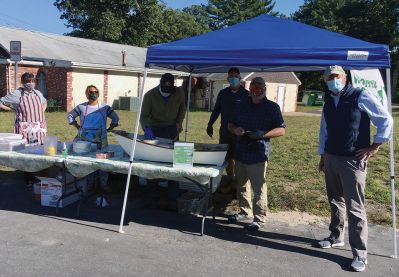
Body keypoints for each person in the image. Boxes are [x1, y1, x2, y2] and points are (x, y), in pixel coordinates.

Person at [317, 66, 393, 272]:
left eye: (336, 76)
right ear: (325, 81)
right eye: (329, 77)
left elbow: (385, 119)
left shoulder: (359, 95)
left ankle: (360, 253)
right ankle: (336, 236)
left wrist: (374, 146)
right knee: (335, 200)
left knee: (355, 207)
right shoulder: (328, 100)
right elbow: (324, 129)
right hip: (332, 157)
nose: (333, 79)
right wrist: (322, 155)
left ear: (344, 77)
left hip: (352, 160)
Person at [227, 77, 286, 231]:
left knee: (259, 188)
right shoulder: (241, 105)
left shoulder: (272, 107)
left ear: (265, 88)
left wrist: (263, 134)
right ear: (249, 88)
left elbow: (281, 130)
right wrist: (235, 130)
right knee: (241, 186)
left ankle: (259, 219)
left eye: (259, 85)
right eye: (253, 85)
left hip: (258, 154)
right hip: (241, 152)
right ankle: (244, 212)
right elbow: (230, 124)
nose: (256, 88)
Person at [140, 73, 185, 210]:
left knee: (174, 164)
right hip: (154, 130)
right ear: (160, 84)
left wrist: (179, 122)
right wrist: (147, 128)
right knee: (152, 164)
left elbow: (182, 108)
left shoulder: (179, 93)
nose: (167, 91)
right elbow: (144, 115)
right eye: (164, 88)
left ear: (173, 85)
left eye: (169, 89)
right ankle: (152, 197)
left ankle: (173, 199)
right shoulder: (150, 95)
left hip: (172, 129)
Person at [67, 85, 119, 192]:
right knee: (87, 163)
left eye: (95, 91)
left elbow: (115, 117)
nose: (93, 94)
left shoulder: (104, 108)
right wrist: (77, 126)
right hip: (85, 142)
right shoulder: (81, 107)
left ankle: (103, 184)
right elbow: (70, 116)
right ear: (86, 94)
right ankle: (89, 185)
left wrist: (110, 127)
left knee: (103, 163)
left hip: (101, 140)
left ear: (98, 93)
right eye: (90, 92)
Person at [206, 67, 249, 194]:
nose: (233, 79)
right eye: (231, 77)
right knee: (226, 157)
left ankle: (238, 184)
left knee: (238, 158)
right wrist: (210, 124)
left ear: (240, 78)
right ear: (228, 79)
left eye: (235, 77)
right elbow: (216, 110)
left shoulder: (246, 95)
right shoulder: (223, 93)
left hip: (240, 133)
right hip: (224, 131)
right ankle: (230, 180)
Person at [0, 72, 47, 145]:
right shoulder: (16, 94)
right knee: (24, 150)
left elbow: (45, 102)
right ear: (22, 82)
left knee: (39, 148)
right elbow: (1, 102)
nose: (30, 83)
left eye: (32, 81)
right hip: (25, 129)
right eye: (27, 81)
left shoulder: (38, 93)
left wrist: (42, 111)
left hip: (38, 129)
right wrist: (11, 109)